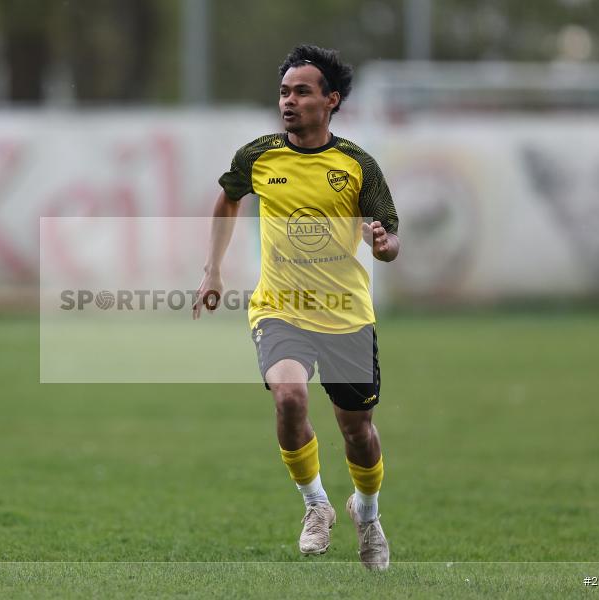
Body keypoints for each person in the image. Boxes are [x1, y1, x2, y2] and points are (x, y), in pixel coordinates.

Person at [192, 44, 400, 570]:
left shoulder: (357, 165)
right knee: (288, 397)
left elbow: (390, 237)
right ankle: (316, 507)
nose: (289, 100)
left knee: (357, 430)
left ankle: (367, 514)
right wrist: (213, 269)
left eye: (302, 91)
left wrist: (381, 243)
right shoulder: (258, 155)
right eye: (284, 91)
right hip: (279, 308)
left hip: (346, 314)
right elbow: (228, 198)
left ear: (330, 100)